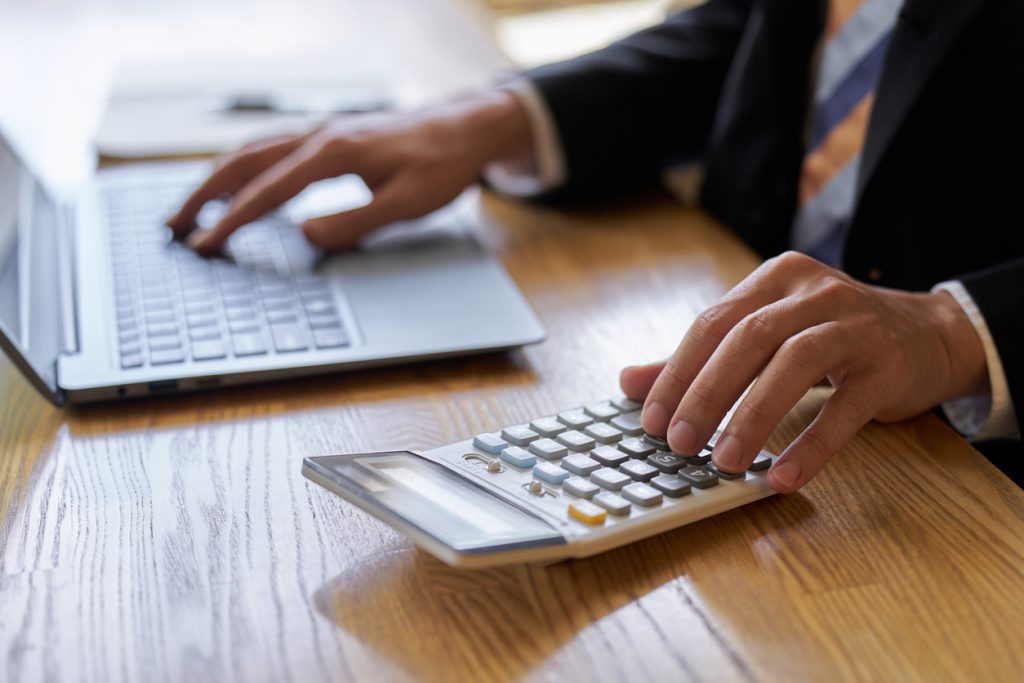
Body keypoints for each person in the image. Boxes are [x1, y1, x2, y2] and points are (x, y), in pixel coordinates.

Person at [167, 0, 1023, 490]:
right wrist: (497, 120)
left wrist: (954, 330)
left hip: (962, 479)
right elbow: (756, 28)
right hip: (780, 415)